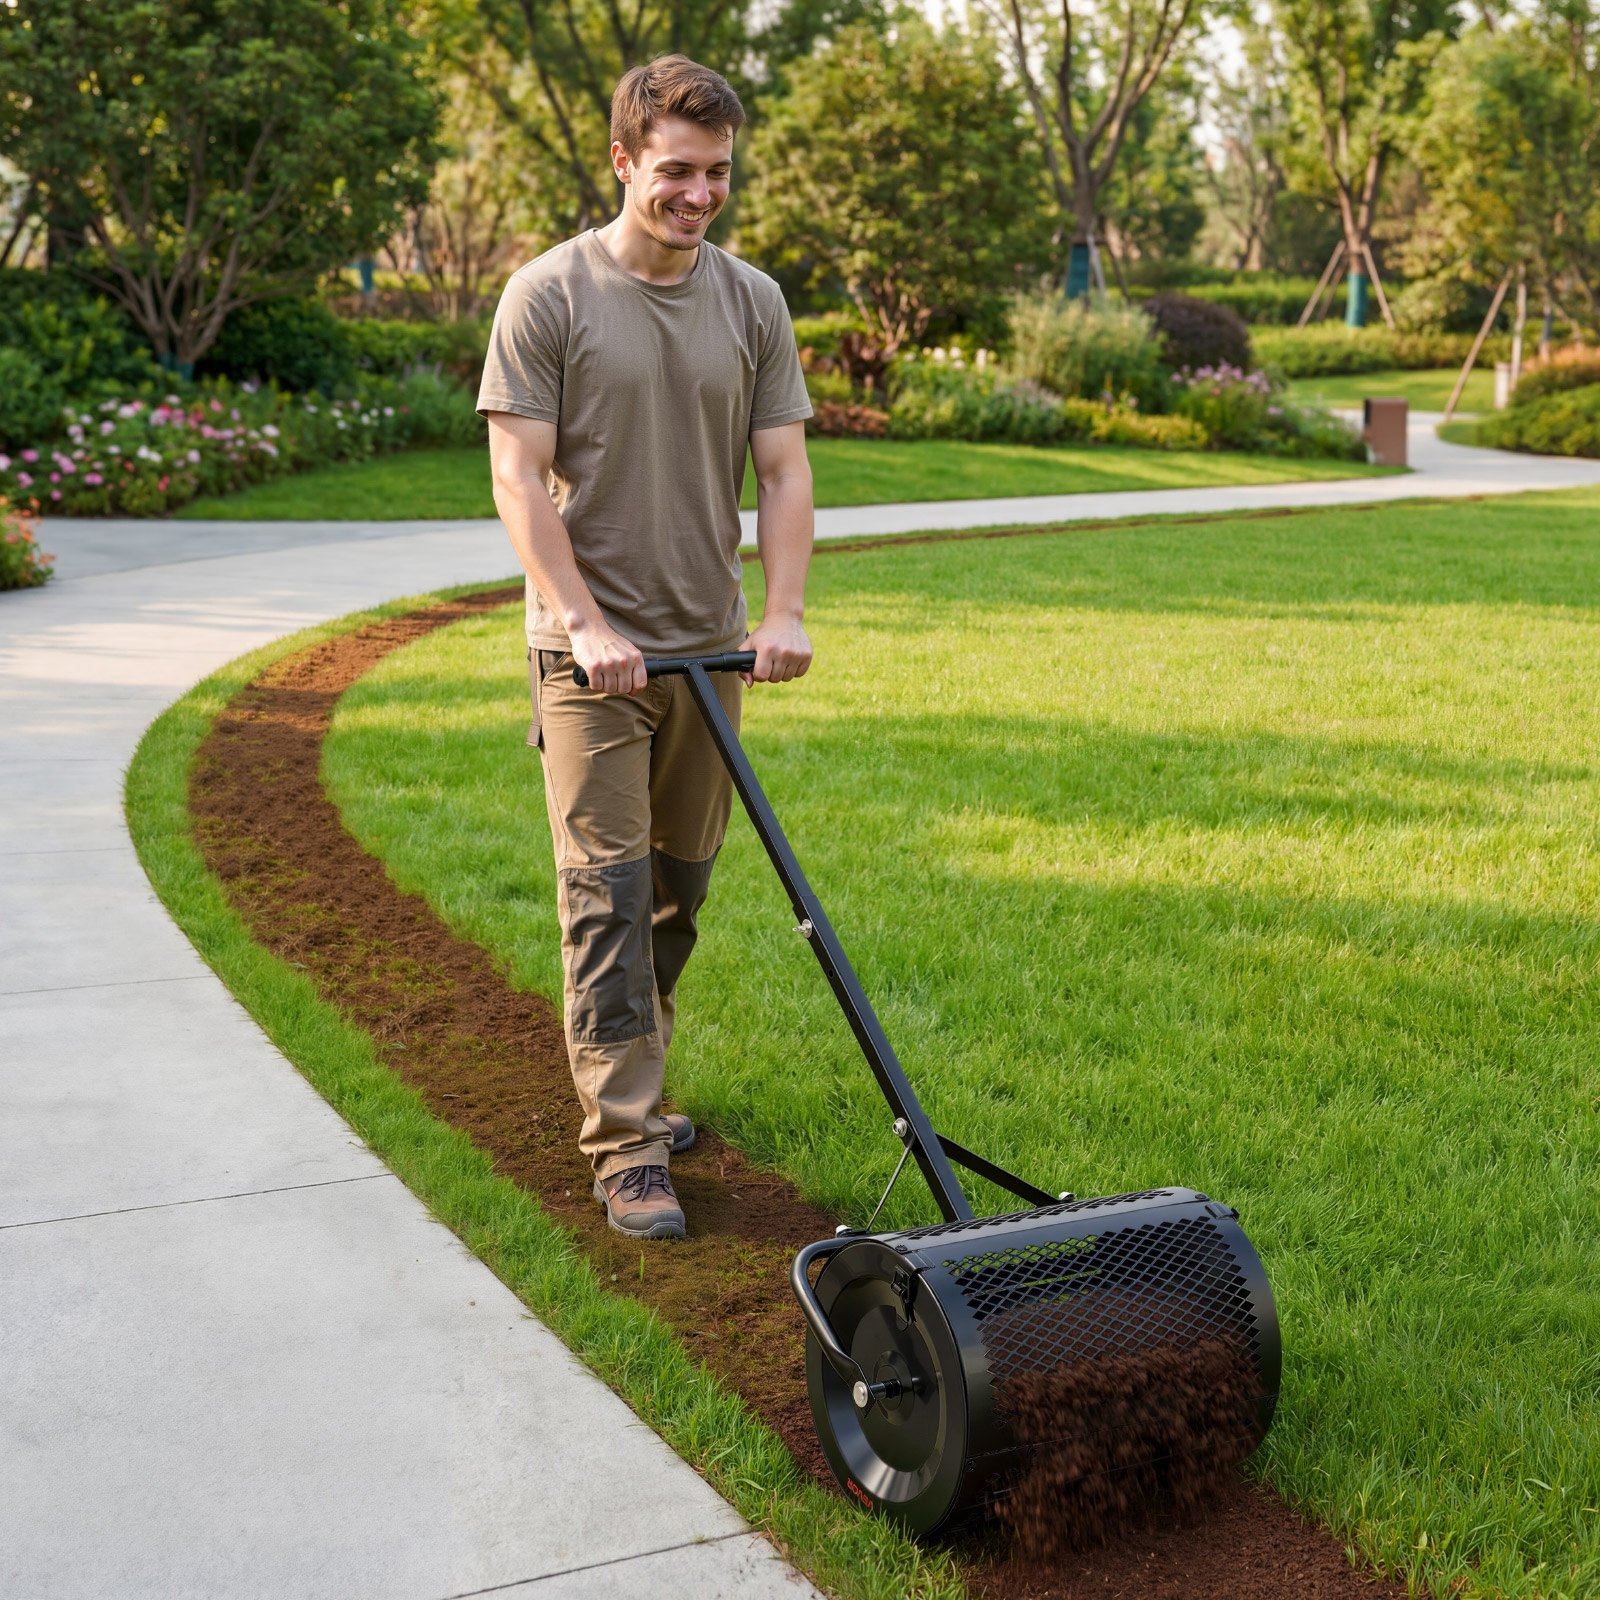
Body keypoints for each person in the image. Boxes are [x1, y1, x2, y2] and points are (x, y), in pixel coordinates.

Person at [477, 55, 815, 1241]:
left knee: (678, 894)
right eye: (676, 170)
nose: (699, 193)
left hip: (707, 650)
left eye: (717, 173)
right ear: (622, 160)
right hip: (591, 658)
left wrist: (779, 612)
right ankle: (625, 1143)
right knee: (607, 896)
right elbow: (516, 477)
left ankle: (635, 1070)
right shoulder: (549, 295)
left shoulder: (751, 300)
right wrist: (581, 620)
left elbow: (780, 468)